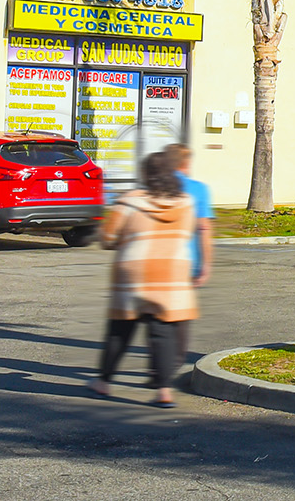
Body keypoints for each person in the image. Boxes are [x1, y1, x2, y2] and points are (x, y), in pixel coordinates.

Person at [88, 150, 196, 406]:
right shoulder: (186, 202)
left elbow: (108, 238)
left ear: (145, 174)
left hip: (134, 273)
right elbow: (188, 233)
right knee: (163, 332)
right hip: (173, 273)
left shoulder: (130, 201)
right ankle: (163, 390)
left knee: (121, 329)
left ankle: (103, 380)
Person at [164, 142, 214, 369]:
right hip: (187, 261)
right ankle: (175, 358)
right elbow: (203, 228)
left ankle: (161, 358)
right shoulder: (198, 189)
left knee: (158, 313)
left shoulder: (155, 187)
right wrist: (206, 263)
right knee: (180, 313)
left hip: (158, 261)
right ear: (186, 163)